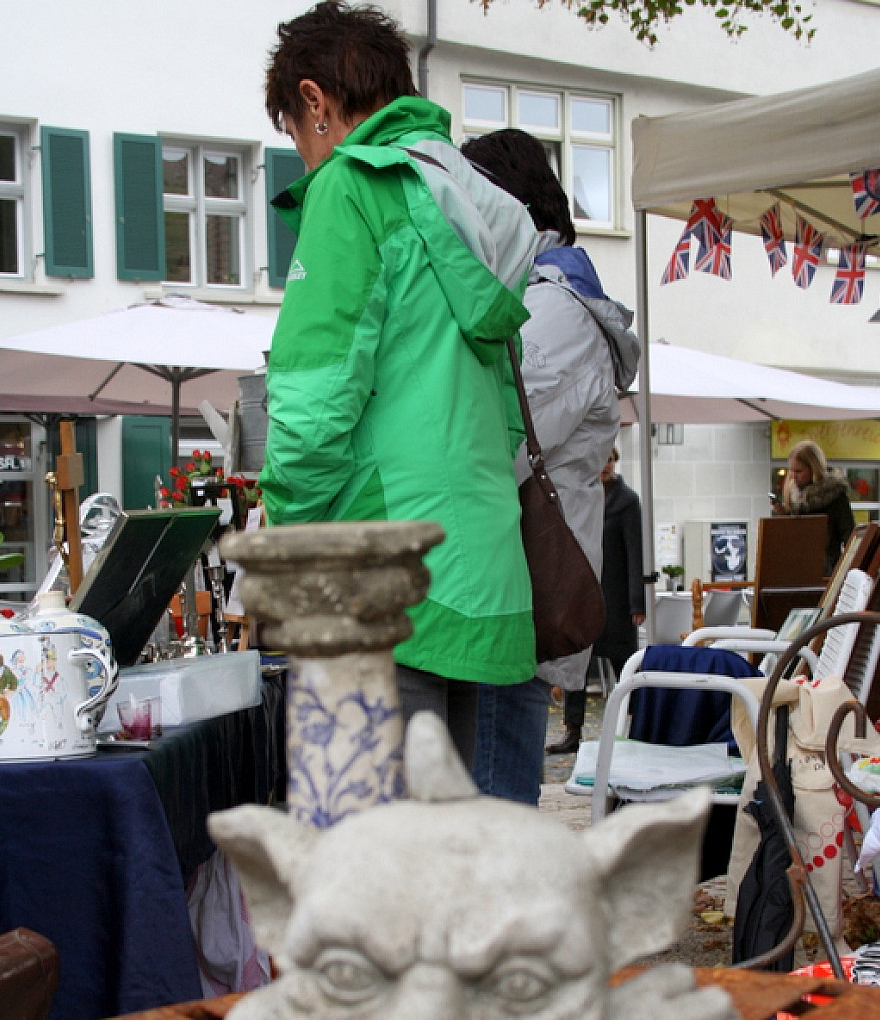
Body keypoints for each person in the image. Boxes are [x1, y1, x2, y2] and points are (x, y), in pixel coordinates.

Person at [260, 3, 539, 769]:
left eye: (295, 132)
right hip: (474, 569)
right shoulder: (465, 202)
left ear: (315, 101)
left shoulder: (352, 187)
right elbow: (509, 418)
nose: (302, 156)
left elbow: (312, 406)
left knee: (373, 837)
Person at [463, 129, 639, 802]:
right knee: (486, 813)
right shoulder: (536, 296)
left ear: (507, 207)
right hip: (501, 591)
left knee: (492, 822)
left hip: (514, 595)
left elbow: (492, 447)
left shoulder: (555, 310)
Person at [549, 447, 645, 755]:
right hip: (584, 595)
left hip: (617, 599)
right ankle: (572, 730)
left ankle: (638, 725)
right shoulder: (580, 496)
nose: (604, 465)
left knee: (625, 666)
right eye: (601, 459)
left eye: (610, 460)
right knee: (576, 663)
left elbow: (635, 553)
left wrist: (637, 603)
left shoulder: (627, 501)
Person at [772, 439, 854, 575]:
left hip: (827, 572)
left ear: (814, 468)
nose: (793, 476)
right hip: (798, 569)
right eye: (791, 470)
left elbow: (849, 536)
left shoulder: (835, 495)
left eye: (799, 471)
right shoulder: (794, 496)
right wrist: (783, 516)